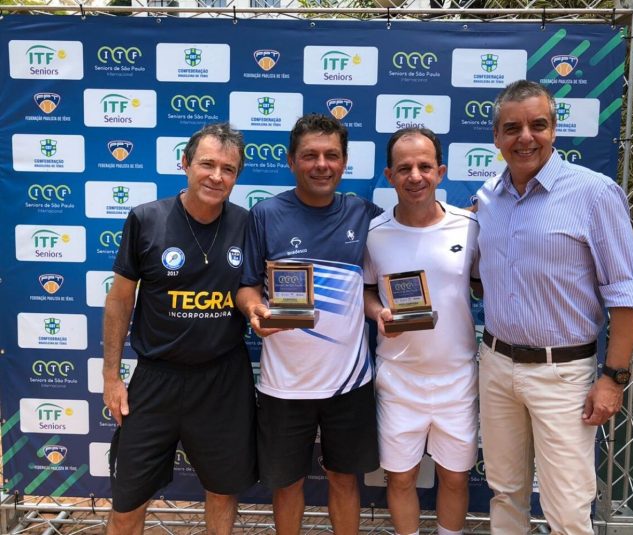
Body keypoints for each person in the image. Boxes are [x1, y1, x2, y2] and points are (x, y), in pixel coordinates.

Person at [476, 79, 633, 534]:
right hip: (496, 366)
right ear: (496, 136)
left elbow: (627, 295)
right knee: (505, 493)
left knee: (567, 509)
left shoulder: (595, 193)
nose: (525, 137)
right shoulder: (487, 198)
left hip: (563, 375)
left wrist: (613, 378)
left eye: (538, 125)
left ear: (554, 130)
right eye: (512, 128)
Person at [102, 123, 256, 535]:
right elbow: (120, 300)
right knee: (127, 501)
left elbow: (253, 289)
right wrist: (111, 376)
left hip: (223, 379)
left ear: (237, 176)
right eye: (207, 164)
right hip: (156, 378)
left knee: (222, 492)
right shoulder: (146, 219)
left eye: (228, 169)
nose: (217, 176)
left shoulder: (248, 224)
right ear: (185, 163)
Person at [236, 113, 381, 535]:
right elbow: (247, 285)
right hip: (284, 385)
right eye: (310, 155)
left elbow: (415, 230)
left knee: (344, 479)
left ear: (344, 161)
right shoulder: (265, 214)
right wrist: (253, 310)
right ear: (291, 160)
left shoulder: (363, 213)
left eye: (331, 155)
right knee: (287, 485)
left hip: (349, 383)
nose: (321, 165)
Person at [363, 128, 479, 535]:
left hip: (457, 377)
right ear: (389, 175)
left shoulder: (469, 227)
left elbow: (486, 283)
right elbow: (367, 291)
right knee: (400, 478)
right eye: (404, 168)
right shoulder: (375, 234)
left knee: (456, 478)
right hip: (398, 378)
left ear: (440, 172)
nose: (415, 176)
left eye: (425, 166)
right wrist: (378, 313)